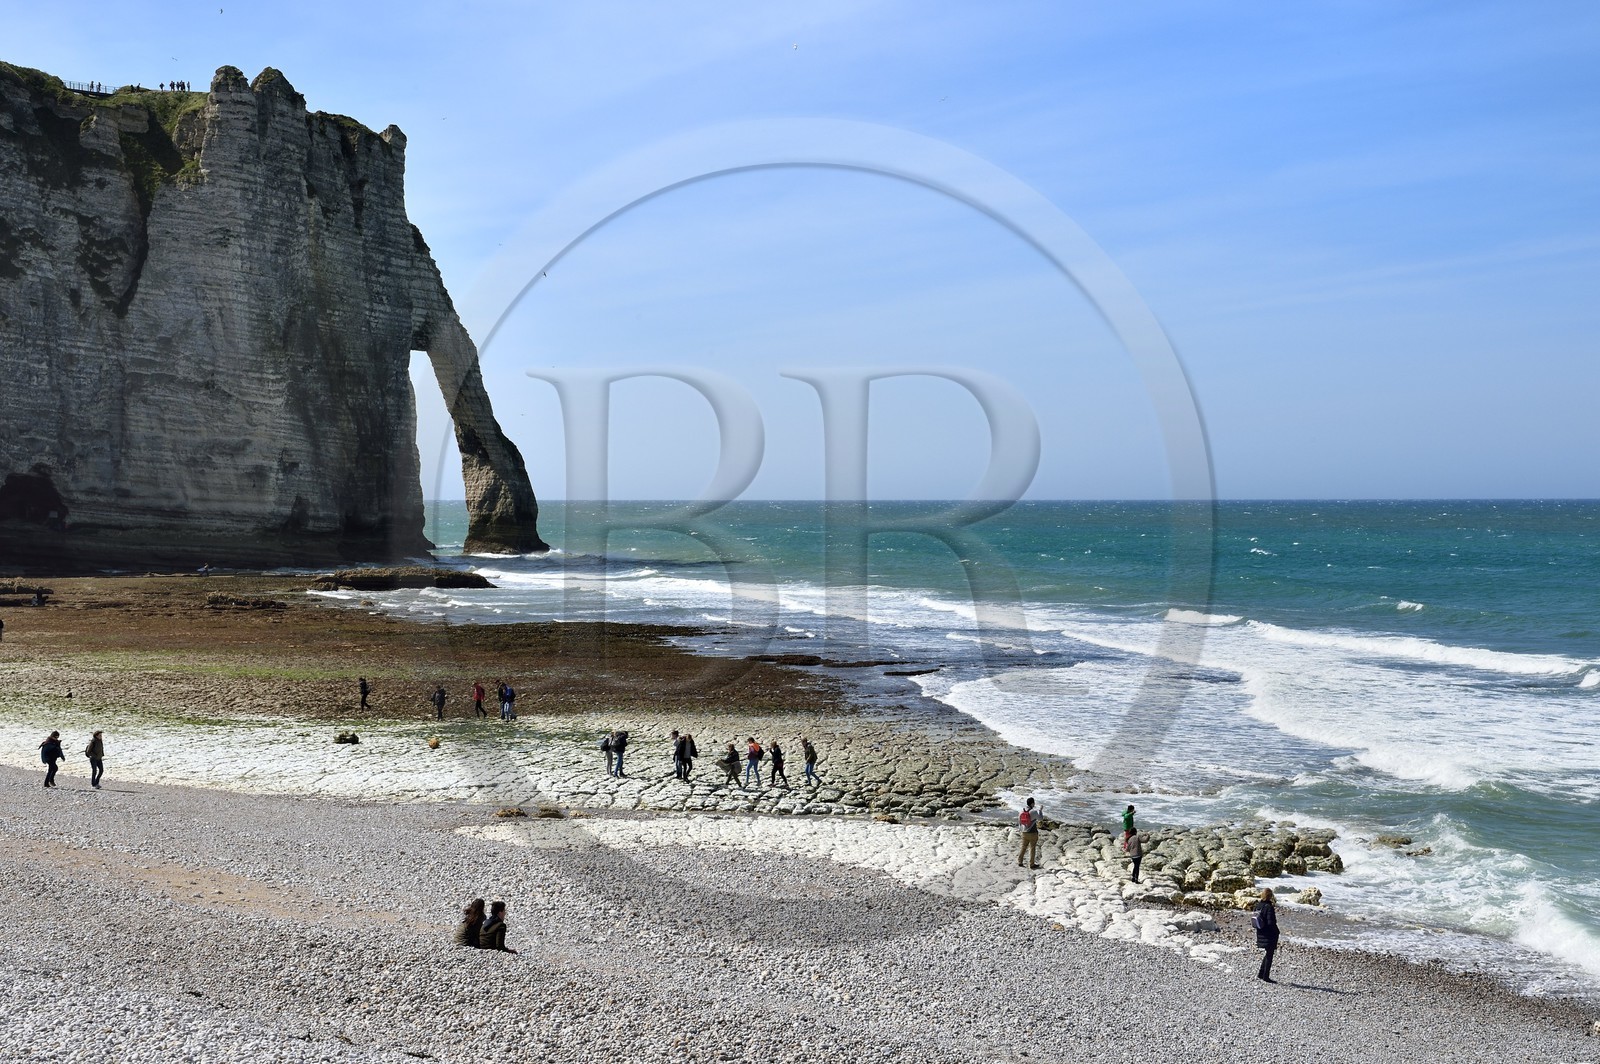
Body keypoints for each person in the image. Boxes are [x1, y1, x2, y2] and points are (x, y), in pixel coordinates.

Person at [1253, 888, 1281, 982]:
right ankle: (1266, 976)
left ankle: (1261, 974)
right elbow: (1271, 923)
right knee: (1270, 954)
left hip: (1260, 931)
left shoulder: (1258, 905)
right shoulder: (1268, 907)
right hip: (1269, 934)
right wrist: (1277, 931)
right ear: (1270, 896)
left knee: (1268, 953)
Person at [1017, 797, 1041, 869]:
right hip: (1033, 833)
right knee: (1032, 848)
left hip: (1024, 832)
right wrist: (1040, 810)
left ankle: (1020, 861)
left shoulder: (1021, 811)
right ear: (1032, 803)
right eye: (1034, 803)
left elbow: (1019, 822)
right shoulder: (1033, 812)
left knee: (1023, 847)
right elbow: (1040, 818)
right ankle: (1031, 864)